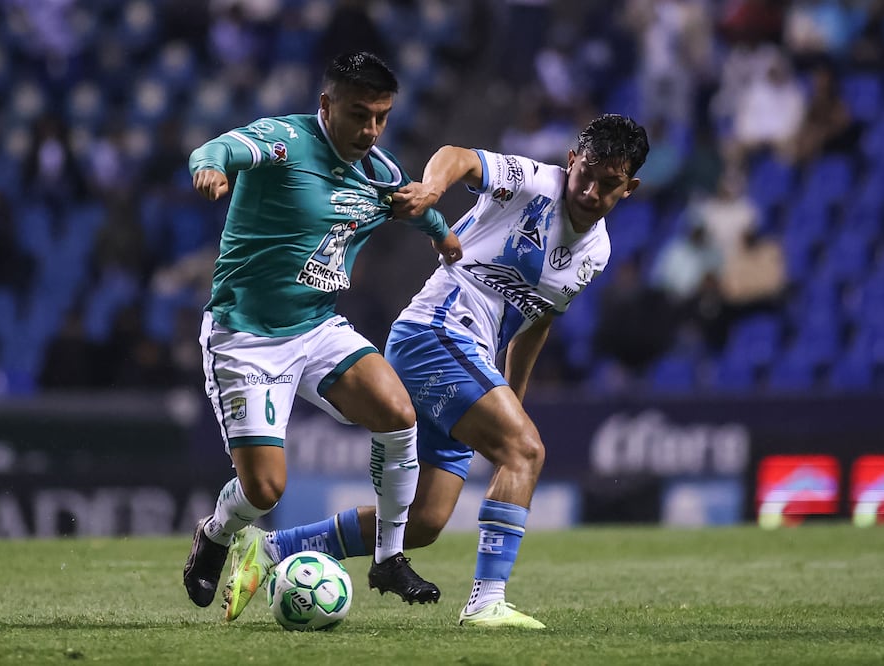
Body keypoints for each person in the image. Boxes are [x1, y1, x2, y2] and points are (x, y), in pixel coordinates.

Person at [222, 114, 650, 628]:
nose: (590, 191)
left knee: (423, 522)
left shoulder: (596, 252)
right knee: (527, 451)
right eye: (586, 175)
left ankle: (270, 549)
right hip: (436, 334)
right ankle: (487, 601)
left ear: (629, 188)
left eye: (609, 184)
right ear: (572, 161)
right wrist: (429, 191)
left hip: (469, 358)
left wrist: (511, 399)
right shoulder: (536, 183)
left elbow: (536, 322)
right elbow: (458, 157)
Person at [182, 51, 463, 615]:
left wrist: (442, 234)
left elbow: (409, 202)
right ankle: (215, 533)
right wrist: (209, 168)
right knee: (265, 491)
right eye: (359, 115)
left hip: (315, 327)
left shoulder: (379, 169)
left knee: (398, 414)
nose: (371, 130)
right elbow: (218, 148)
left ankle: (389, 557)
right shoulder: (284, 141)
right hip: (246, 337)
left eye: (382, 117)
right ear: (326, 105)